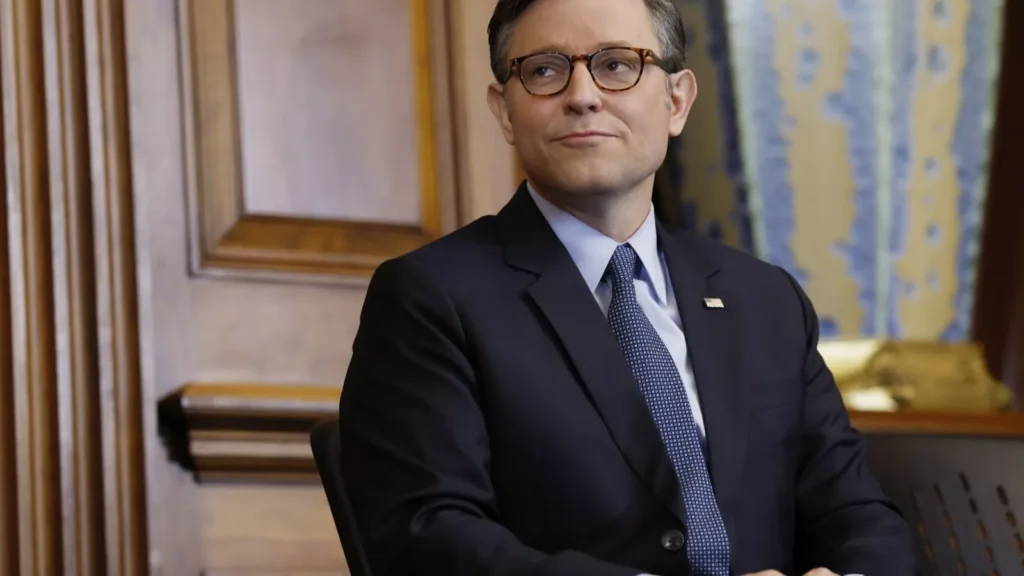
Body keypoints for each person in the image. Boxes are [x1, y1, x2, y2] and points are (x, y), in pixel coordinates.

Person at [337, 0, 915, 574]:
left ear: (677, 101)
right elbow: (428, 535)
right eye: (544, 70)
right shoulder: (431, 299)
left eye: (617, 65)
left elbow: (858, 516)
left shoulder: (765, 300)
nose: (583, 95)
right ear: (505, 111)